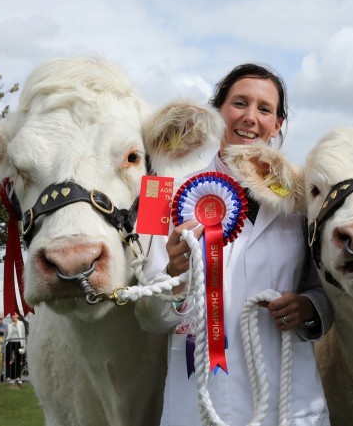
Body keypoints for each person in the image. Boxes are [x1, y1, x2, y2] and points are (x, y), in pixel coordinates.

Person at [136, 63, 333, 425]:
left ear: (278, 125)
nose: (250, 118)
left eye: (264, 109)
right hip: (199, 399)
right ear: (217, 112)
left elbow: (326, 290)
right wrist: (173, 274)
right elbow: (147, 316)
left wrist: (310, 306)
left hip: (290, 400)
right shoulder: (160, 192)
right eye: (239, 103)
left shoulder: (307, 198)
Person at [3, 313, 26, 382]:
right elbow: (5, 335)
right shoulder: (8, 324)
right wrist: (3, 345)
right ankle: (8, 377)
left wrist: (24, 346)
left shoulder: (21, 324)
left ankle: (18, 377)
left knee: (18, 360)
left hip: (19, 342)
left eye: (14, 315)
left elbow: (23, 335)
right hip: (9, 342)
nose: (12, 316)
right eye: (11, 315)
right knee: (8, 360)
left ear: (17, 316)